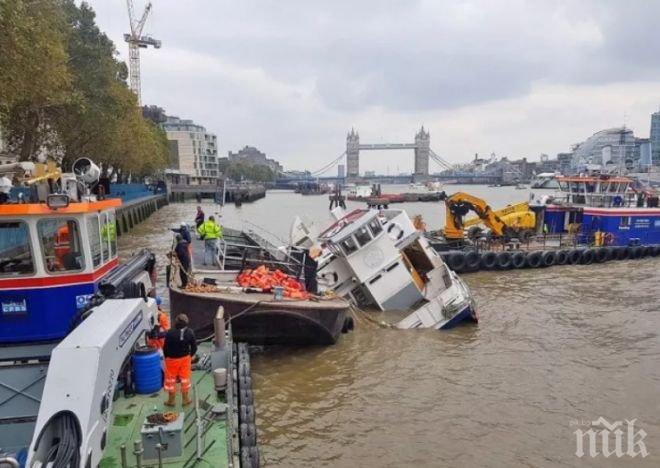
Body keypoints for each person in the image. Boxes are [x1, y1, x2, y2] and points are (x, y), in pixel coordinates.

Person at [163, 314, 197, 407]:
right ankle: (185, 399)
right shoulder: (190, 332)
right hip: (185, 359)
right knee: (185, 379)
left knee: (170, 380)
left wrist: (167, 357)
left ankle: (171, 400)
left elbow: (165, 347)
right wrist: (190, 356)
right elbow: (194, 347)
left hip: (172, 360)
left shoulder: (169, 333)